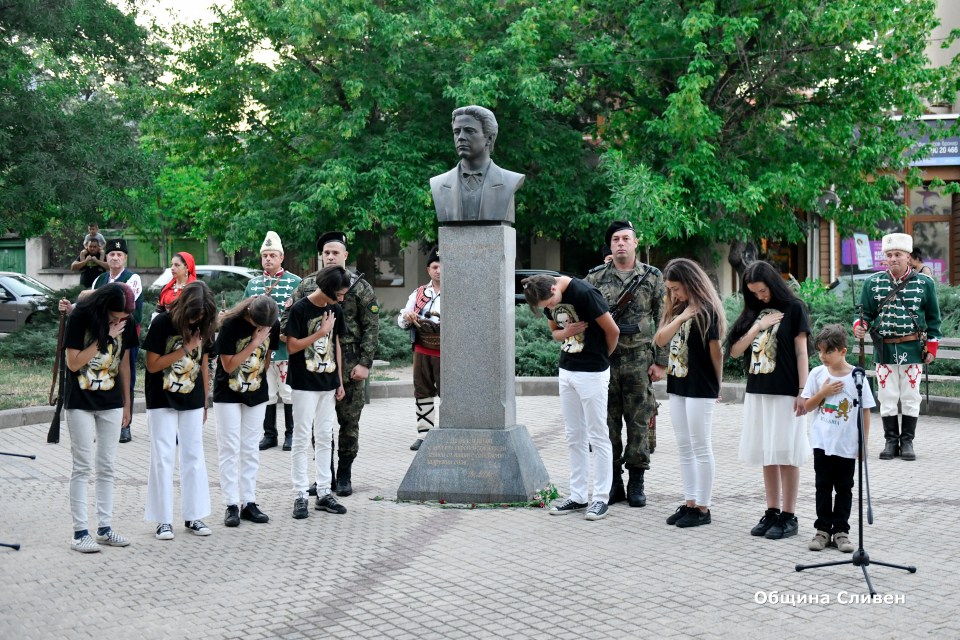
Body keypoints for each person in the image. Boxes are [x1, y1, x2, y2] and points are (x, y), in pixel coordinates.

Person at [281, 231, 379, 496]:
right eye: (327, 253)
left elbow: (371, 327)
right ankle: (325, 477)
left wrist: (365, 363)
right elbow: (287, 318)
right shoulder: (307, 285)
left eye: (336, 252)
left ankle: (344, 474)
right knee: (318, 427)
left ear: (345, 255)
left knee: (349, 423)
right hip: (315, 365)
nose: (331, 256)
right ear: (321, 256)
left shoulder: (359, 286)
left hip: (350, 364)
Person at [523, 273, 620, 521]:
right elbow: (555, 333)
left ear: (555, 287)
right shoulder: (544, 296)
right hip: (567, 371)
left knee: (598, 435)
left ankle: (600, 499)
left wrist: (600, 359)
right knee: (574, 436)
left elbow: (613, 331)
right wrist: (567, 332)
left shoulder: (585, 293)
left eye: (551, 302)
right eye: (546, 308)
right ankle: (578, 496)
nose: (551, 308)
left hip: (593, 372)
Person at [583, 221, 666, 508]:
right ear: (610, 245)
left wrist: (662, 362)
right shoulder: (595, 277)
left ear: (635, 243)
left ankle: (637, 482)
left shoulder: (653, 277)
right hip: (604, 361)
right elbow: (582, 314)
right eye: (615, 239)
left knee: (639, 423)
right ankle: (614, 482)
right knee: (606, 424)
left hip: (640, 361)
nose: (620, 243)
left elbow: (664, 320)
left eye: (625, 238)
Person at [727, 260, 811, 540]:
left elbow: (802, 353)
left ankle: (789, 515)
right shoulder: (754, 312)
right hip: (758, 391)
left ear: (773, 284)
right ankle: (772, 511)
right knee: (767, 452)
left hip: (787, 392)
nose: (760, 296)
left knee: (786, 453)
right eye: (754, 292)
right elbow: (736, 351)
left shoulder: (795, 308)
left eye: (763, 291)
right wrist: (757, 326)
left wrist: (803, 390)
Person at [63, 283, 137, 553]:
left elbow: (125, 363)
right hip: (80, 401)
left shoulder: (127, 319)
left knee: (107, 466)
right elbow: (73, 362)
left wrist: (127, 402)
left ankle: (104, 529)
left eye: (123, 317)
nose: (119, 321)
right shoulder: (80, 316)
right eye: (114, 316)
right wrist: (104, 336)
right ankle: (79, 533)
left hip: (112, 402)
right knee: (82, 467)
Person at [854, 233, 941, 461]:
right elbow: (863, 313)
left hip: (912, 348)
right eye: (889, 255)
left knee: (911, 395)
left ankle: (908, 441)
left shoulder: (925, 283)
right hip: (884, 349)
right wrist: (860, 325)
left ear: (908, 257)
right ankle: (891, 441)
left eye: (898, 255)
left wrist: (931, 347)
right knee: (887, 395)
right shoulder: (872, 283)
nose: (893, 259)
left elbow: (934, 319)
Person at [142, 281, 216, 540]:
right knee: (162, 458)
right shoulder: (162, 323)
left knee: (194, 457)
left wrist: (205, 400)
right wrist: (185, 349)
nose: (197, 319)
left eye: (202, 316)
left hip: (193, 399)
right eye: (194, 314)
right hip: (161, 397)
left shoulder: (205, 325)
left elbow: (205, 365)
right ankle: (163, 520)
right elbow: (152, 365)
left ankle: (194, 516)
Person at [654, 258, 725, 528]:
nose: (673, 293)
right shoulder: (678, 307)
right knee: (684, 446)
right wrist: (682, 315)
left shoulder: (708, 311)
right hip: (678, 385)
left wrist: (718, 384)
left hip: (700, 385)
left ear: (690, 282)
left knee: (700, 446)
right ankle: (690, 502)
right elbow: (660, 339)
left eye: (676, 288)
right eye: (670, 289)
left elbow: (716, 353)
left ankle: (703, 509)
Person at [59, 239, 144, 444]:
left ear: (125, 258)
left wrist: (87, 296)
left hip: (124, 332)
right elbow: (89, 305)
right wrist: (73, 308)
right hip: (99, 333)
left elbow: (120, 296)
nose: (115, 257)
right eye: (112, 255)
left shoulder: (132, 278)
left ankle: (125, 424)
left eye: (119, 255)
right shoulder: (100, 279)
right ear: (106, 257)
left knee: (124, 374)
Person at [801, 324, 875, 554]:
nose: (823, 356)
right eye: (820, 351)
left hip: (846, 444)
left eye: (828, 352)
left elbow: (865, 410)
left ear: (843, 351)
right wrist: (823, 393)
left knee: (845, 488)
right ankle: (822, 530)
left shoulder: (857, 377)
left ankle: (841, 532)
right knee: (822, 486)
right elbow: (806, 406)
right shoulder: (817, 374)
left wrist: (863, 443)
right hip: (822, 442)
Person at [285, 265, 351, 519]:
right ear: (330, 289)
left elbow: (335, 342)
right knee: (301, 438)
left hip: (327, 383)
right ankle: (300, 494)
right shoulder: (300, 309)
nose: (343, 298)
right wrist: (320, 332)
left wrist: (339, 379)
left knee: (325, 436)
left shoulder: (335, 308)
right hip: (304, 383)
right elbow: (291, 346)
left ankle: (324, 492)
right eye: (341, 293)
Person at [212, 294, 279, 528]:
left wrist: (262, 340)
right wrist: (254, 342)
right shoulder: (230, 324)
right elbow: (228, 365)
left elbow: (267, 361)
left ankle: (248, 502)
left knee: (250, 448)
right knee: (229, 448)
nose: (263, 328)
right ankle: (231, 504)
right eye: (258, 324)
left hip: (256, 392)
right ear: (249, 311)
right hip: (227, 393)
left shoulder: (272, 322)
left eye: (266, 326)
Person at [245, 232, 302, 452]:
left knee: (287, 391)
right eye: (265, 255)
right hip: (261, 349)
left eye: (272, 255)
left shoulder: (295, 282)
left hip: (286, 349)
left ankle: (291, 435)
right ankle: (269, 435)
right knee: (267, 392)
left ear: (281, 258)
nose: (268, 259)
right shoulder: (253, 284)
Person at [398, 247, 440, 451]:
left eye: (443, 267)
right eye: (435, 267)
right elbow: (401, 319)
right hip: (423, 349)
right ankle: (424, 434)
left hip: (448, 352)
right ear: (428, 269)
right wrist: (408, 317)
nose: (439, 270)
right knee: (422, 391)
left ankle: (450, 431)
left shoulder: (459, 292)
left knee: (450, 393)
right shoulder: (419, 293)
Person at [155, 252, 197, 318]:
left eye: (177, 265)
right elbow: (159, 311)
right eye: (172, 265)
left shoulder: (194, 289)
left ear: (187, 267)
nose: (172, 268)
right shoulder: (166, 288)